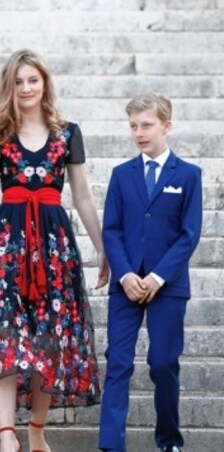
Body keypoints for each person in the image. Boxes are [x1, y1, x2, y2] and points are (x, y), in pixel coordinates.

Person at [0, 49, 109, 452]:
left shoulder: (68, 133)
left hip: (55, 247)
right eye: (18, 82)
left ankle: (36, 428)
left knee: (47, 339)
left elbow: (84, 198)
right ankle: (6, 435)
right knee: (4, 333)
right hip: (8, 246)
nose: (26, 88)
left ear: (44, 83)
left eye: (32, 80)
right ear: (9, 86)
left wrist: (105, 250)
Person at [98, 93, 202, 452]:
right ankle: (111, 445)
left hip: (167, 286)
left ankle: (169, 440)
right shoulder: (121, 175)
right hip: (126, 284)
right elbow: (110, 229)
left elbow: (189, 235)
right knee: (118, 363)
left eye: (146, 125)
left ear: (166, 125)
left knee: (163, 363)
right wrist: (124, 274)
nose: (139, 133)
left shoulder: (188, 175)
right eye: (133, 126)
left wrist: (158, 277)